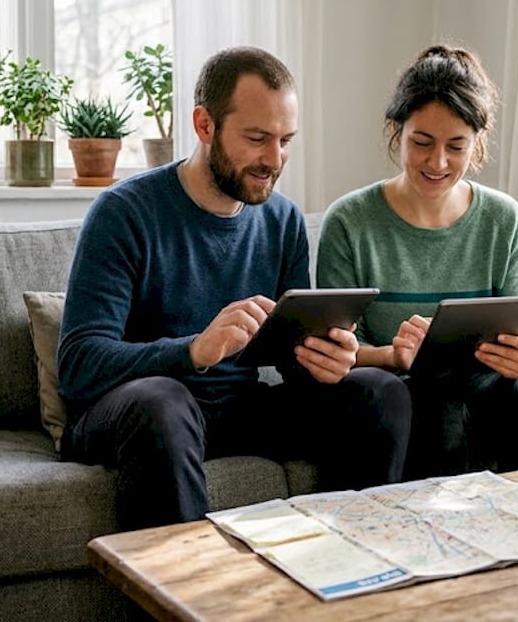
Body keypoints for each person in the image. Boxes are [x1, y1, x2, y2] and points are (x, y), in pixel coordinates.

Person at [57, 46, 411, 531]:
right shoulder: (124, 213)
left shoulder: (282, 220)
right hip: (135, 413)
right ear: (205, 126)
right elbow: (79, 366)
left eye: (286, 140)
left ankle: (346, 569)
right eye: (257, 138)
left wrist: (327, 359)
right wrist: (194, 351)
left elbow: (290, 360)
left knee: (379, 392)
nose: (274, 159)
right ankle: (186, 599)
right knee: (164, 399)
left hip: (234, 412)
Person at [316, 44, 518, 478]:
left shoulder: (503, 219)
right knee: (436, 404)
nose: (438, 162)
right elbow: (334, 351)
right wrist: (394, 355)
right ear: (397, 131)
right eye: (422, 143)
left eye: (456, 146)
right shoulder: (350, 221)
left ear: (478, 143)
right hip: (395, 386)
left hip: (481, 379)